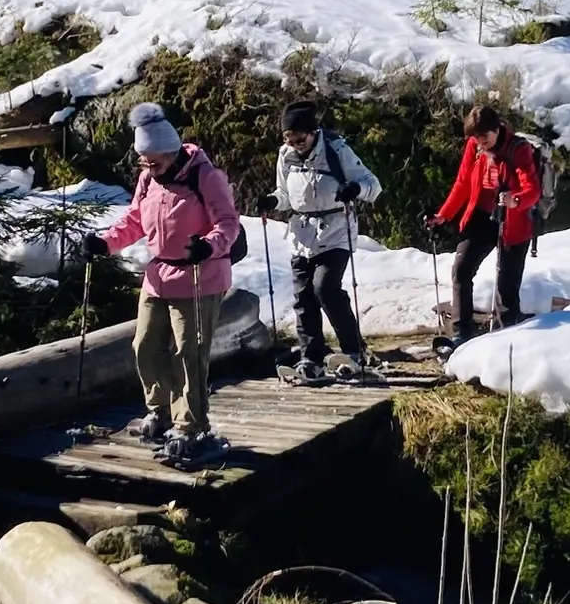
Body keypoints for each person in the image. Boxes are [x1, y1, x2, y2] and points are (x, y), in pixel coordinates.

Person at [84, 101, 240, 466]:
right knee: (145, 345)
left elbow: (228, 224)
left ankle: (192, 426)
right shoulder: (147, 179)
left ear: (171, 152)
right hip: (158, 277)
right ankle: (160, 413)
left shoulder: (206, 176)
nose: (149, 168)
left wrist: (208, 245)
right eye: (144, 161)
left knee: (189, 354)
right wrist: (106, 242)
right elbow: (136, 219)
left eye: (155, 161)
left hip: (200, 276)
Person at [260, 99, 381, 382]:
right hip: (301, 234)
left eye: (299, 137)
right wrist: (271, 200)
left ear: (313, 132)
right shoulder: (285, 155)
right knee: (303, 296)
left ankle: (354, 351)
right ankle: (310, 358)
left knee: (325, 288)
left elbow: (373, 186)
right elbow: (285, 195)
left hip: (336, 231)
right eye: (288, 138)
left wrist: (355, 189)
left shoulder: (338, 151)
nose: (294, 143)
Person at [428, 104, 541, 345]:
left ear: (497, 129)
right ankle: (461, 333)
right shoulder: (475, 147)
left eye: (484, 137)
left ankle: (507, 340)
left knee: (506, 286)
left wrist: (515, 200)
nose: (481, 143)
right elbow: (463, 182)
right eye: (476, 138)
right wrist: (444, 215)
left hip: (514, 222)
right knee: (461, 269)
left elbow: (533, 189)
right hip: (481, 216)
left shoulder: (518, 149)